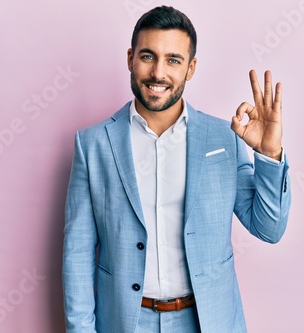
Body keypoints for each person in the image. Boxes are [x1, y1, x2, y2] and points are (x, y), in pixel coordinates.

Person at [63, 5, 291, 333]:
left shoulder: (224, 138)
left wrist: (269, 155)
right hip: (125, 322)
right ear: (130, 59)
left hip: (207, 321)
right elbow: (78, 253)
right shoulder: (93, 144)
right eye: (147, 56)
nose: (158, 73)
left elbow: (269, 229)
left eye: (173, 60)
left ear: (190, 68)